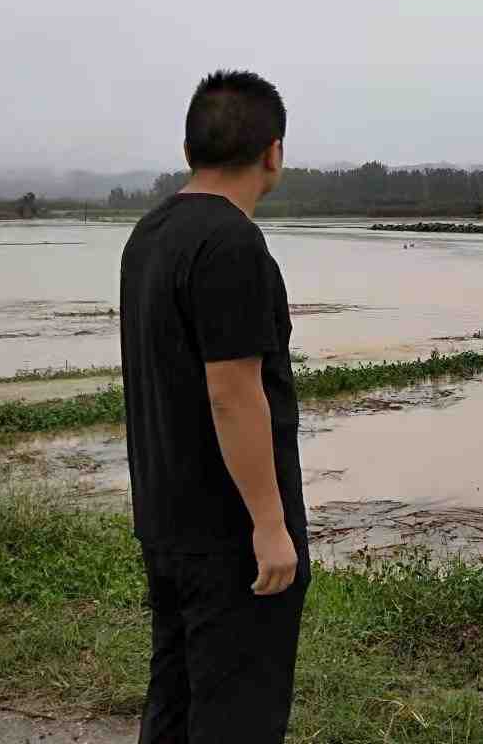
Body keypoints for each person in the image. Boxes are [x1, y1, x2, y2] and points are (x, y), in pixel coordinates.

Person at [120, 70, 307, 743]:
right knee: (237, 716)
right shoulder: (232, 243)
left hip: (166, 521)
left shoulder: (149, 234)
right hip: (230, 536)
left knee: (174, 702)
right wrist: (269, 525)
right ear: (273, 152)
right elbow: (233, 393)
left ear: (189, 149)